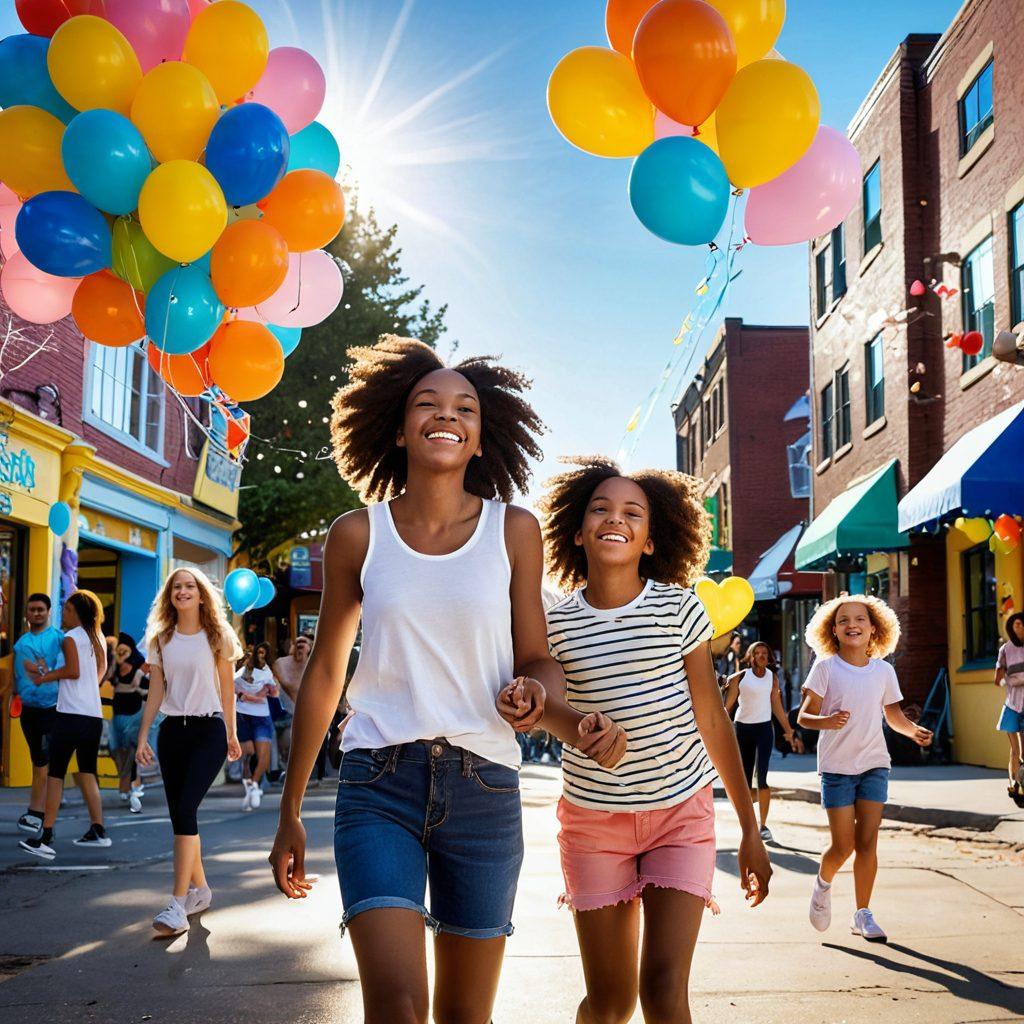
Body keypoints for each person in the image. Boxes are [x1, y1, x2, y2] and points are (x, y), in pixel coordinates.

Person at [268, 337, 620, 1024]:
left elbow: (537, 659)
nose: (446, 415)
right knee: (397, 1005)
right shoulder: (356, 534)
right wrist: (290, 809)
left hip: (484, 788)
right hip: (378, 785)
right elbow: (326, 674)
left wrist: (547, 704)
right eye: (427, 404)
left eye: (465, 407)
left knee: (466, 1015)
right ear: (398, 428)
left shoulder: (513, 531)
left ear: (483, 437)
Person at [537, 457, 772, 1024]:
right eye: (601, 509)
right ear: (576, 530)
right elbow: (548, 708)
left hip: (679, 819)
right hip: (595, 823)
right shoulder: (556, 623)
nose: (615, 519)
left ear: (649, 539)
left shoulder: (678, 608)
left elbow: (714, 722)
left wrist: (748, 829)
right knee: (611, 1003)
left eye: (632, 513)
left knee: (664, 996)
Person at [798, 595, 933, 943]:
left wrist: (912, 730)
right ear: (833, 630)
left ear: (874, 629)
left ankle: (863, 913)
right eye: (843, 620)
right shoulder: (826, 667)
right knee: (842, 846)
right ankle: (823, 885)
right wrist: (825, 721)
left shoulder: (884, 671)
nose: (852, 624)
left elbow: (894, 715)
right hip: (837, 767)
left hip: (875, 763)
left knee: (868, 842)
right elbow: (804, 716)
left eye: (860, 619)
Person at [136, 567, 243, 937]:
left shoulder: (218, 636)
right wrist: (144, 734)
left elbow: (228, 691)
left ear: (201, 595)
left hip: (209, 730)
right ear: (170, 596)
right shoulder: (161, 638)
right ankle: (202, 890)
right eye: (176, 587)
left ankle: (177, 904)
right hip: (172, 734)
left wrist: (232, 732)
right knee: (182, 818)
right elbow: (155, 692)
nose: (182, 591)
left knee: (185, 810)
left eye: (189, 586)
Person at [18, 590, 111, 859]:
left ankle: (45, 836)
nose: (63, 614)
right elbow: (99, 672)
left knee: (56, 775)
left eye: (67, 610)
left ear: (77, 612)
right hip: (92, 715)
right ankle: (98, 830)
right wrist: (85, 688)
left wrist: (43, 678)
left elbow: (73, 671)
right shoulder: (98, 637)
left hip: (70, 715)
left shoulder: (71, 637)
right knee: (87, 772)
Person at [725, 640, 799, 843]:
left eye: (764, 653)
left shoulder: (772, 678)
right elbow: (728, 706)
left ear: (769, 657)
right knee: (746, 779)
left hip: (765, 729)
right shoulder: (741, 677)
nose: (761, 656)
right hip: (743, 729)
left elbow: (776, 706)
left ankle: (763, 826)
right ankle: (748, 826)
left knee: (763, 778)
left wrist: (789, 731)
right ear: (751, 656)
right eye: (757, 653)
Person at [13, 593, 64, 834]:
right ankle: (40, 811)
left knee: (44, 761)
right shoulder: (21, 644)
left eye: (41, 609)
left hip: (51, 710)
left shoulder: (59, 640)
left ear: (49, 611)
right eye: (32, 609)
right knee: (38, 761)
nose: (36, 613)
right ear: (27, 613)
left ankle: (37, 814)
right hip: (28, 711)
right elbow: (16, 678)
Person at [235, 641, 278, 811]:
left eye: (263, 653)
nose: (260, 656)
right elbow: (230, 688)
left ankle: (253, 784)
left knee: (263, 753)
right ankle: (249, 785)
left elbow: (274, 693)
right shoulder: (241, 670)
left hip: (261, 716)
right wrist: (245, 696)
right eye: (258, 652)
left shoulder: (267, 672)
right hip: (242, 715)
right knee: (248, 753)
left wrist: (269, 690)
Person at [109, 632, 148, 814]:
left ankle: (130, 784)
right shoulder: (114, 670)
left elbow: (149, 692)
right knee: (116, 750)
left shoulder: (138, 672)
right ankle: (128, 781)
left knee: (132, 751)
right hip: (118, 716)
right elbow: (105, 678)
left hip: (134, 716)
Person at [995, 612, 1024, 806]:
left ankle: (1022, 785)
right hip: (1013, 705)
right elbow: (997, 680)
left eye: (1021, 624)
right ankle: (1014, 785)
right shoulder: (1005, 649)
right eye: (1015, 625)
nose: (1018, 627)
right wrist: (1011, 681)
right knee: (1014, 751)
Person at [272, 633, 312, 769]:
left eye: (304, 644)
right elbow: (291, 687)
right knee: (287, 740)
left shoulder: (312, 665)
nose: (300, 647)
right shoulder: (281, 663)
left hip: (306, 714)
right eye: (297, 643)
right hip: (286, 714)